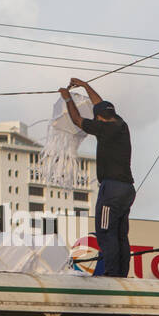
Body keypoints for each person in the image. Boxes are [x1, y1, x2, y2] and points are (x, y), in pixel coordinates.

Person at [60, 78, 135, 278]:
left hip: (111, 189)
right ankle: (121, 274)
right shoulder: (120, 124)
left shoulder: (103, 129)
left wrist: (68, 99)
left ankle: (111, 273)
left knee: (105, 231)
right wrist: (84, 85)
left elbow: (77, 120)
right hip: (127, 190)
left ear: (99, 119)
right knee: (120, 234)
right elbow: (99, 104)